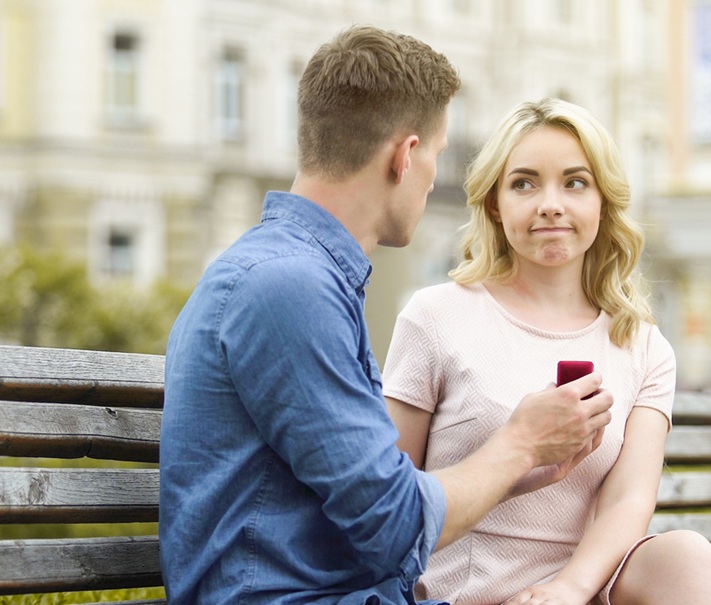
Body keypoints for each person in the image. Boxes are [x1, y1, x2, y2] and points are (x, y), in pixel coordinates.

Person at [159, 28, 613, 605]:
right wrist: (519, 443)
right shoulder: (287, 288)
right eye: (439, 156)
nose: (432, 178)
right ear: (405, 156)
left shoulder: (294, 276)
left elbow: (377, 506)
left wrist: (519, 467)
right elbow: (391, 527)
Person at [383, 98, 711, 605]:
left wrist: (567, 589)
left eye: (574, 182)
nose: (551, 203)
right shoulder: (436, 316)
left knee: (688, 556)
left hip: (581, 589)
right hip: (463, 594)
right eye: (524, 183)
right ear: (494, 204)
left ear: (601, 202)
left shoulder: (643, 345)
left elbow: (628, 499)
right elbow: (389, 498)